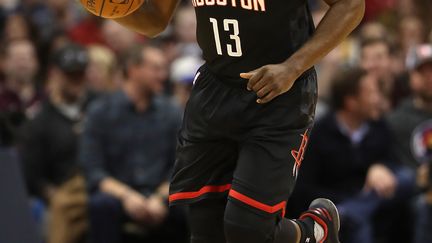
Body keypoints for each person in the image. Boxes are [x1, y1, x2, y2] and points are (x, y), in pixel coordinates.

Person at [112, 0, 365, 242]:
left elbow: (351, 4)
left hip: (277, 90)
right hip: (216, 89)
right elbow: (155, 19)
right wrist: (110, 7)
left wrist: (293, 67)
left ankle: (316, 230)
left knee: (247, 229)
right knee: (206, 231)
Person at [289, 68, 415, 243]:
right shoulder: (320, 134)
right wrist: (344, 203)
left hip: (378, 205)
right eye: (371, 93)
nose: (377, 99)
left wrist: (379, 167)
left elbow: (393, 163)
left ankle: (355, 210)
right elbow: (303, 190)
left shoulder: (379, 127)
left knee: (406, 178)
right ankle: (353, 211)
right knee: (356, 221)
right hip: (336, 210)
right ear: (351, 102)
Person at [79, 44, 186, 243]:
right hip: (118, 195)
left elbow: (181, 166)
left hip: (160, 194)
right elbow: (93, 170)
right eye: (156, 69)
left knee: (190, 204)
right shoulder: (100, 112)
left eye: (164, 69)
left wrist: (159, 198)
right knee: (101, 205)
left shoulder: (171, 112)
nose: (163, 75)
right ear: (133, 69)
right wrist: (127, 196)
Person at [19, 43, 92, 243]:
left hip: (100, 186)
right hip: (62, 192)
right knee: (61, 209)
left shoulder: (99, 108)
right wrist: (52, 195)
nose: (77, 80)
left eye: (81, 74)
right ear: (54, 74)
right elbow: (32, 175)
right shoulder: (39, 121)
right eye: (71, 74)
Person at [387, 44, 432, 243]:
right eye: (423, 72)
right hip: (416, 195)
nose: (430, 78)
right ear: (411, 76)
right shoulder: (395, 120)